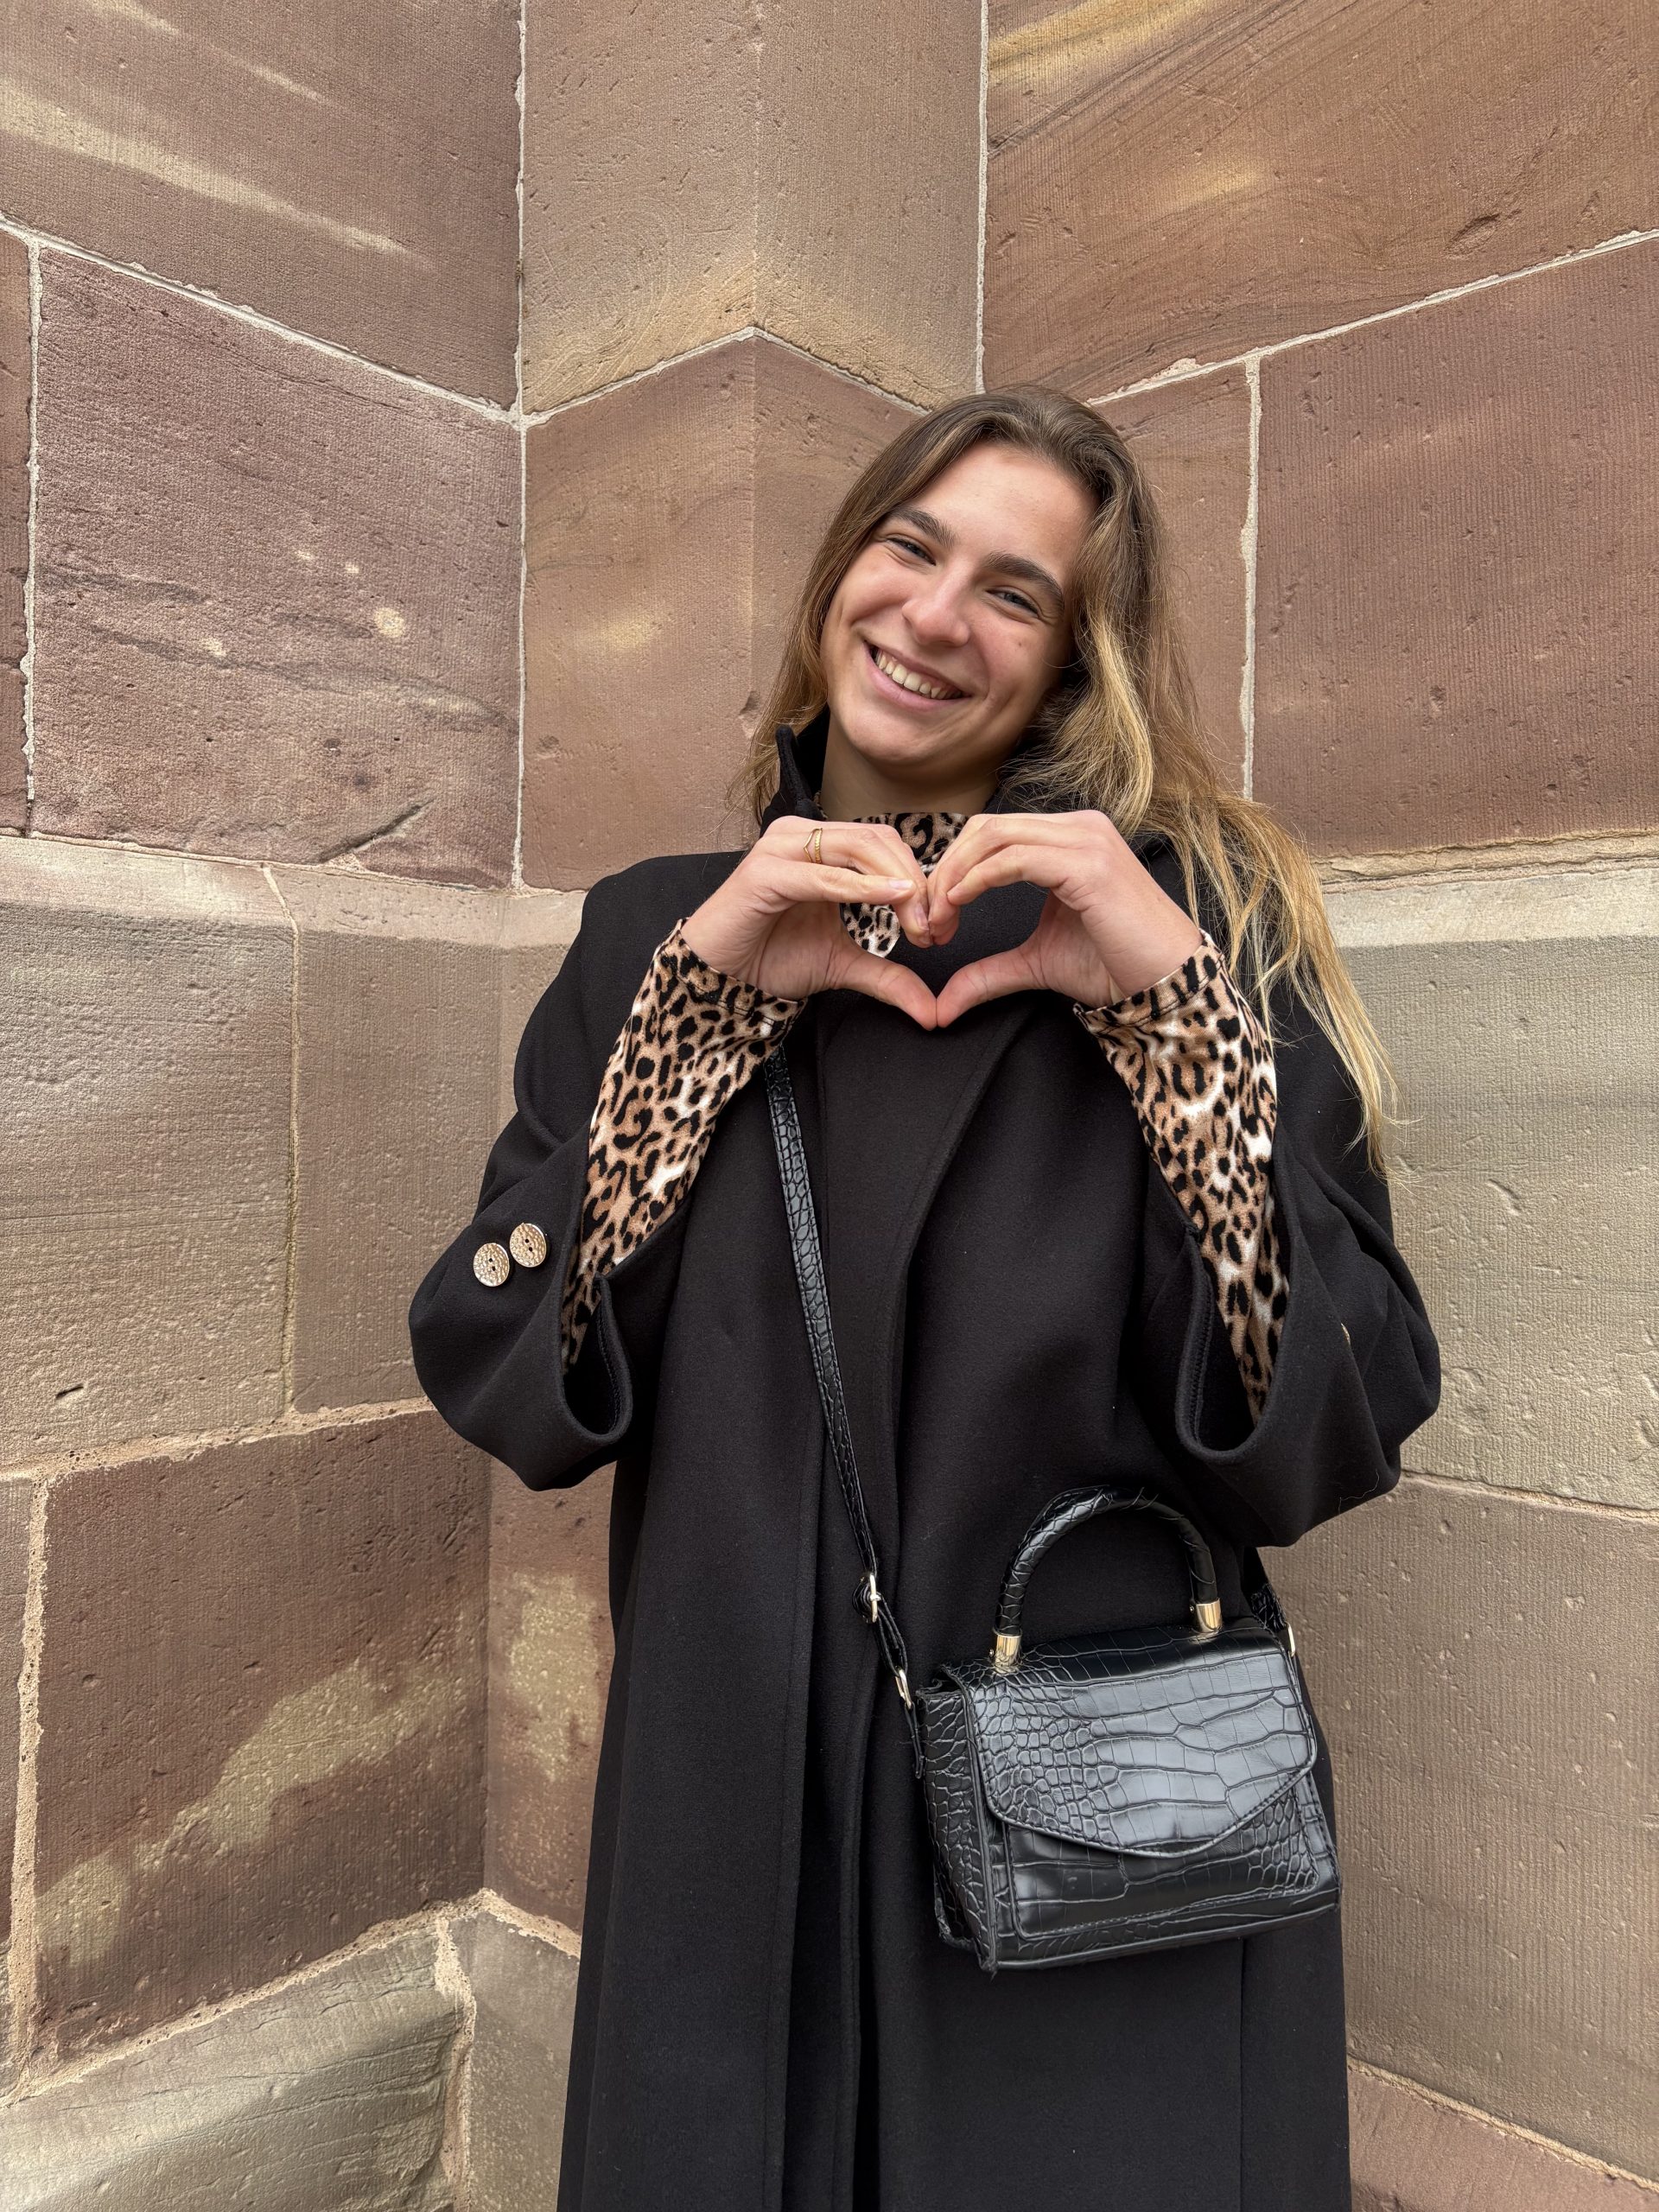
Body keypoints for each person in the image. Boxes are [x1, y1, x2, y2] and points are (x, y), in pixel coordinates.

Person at [409, 385, 1440, 2212]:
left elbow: (1331, 1416)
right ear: (838, 577)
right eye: (909, 545)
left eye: (1017, 591)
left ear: (1068, 670)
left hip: (1095, 1843)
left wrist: (1171, 1012)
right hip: (734, 1830)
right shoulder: (658, 923)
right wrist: (699, 1010)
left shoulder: (1184, 925)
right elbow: (509, 1367)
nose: (937, 614)